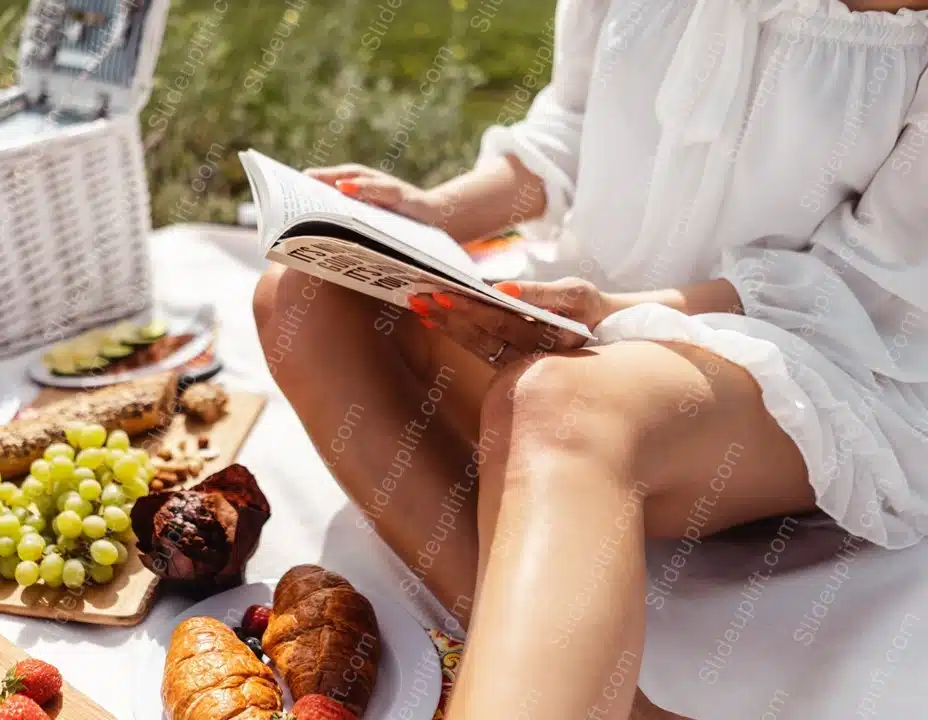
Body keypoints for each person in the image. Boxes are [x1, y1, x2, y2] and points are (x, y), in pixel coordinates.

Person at [252, 1, 928, 718]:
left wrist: (618, 310)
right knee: (300, 299)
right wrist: (433, 210)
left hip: (823, 362)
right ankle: (580, 690)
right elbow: (575, 121)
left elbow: (862, 283)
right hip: (585, 321)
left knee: (557, 404)